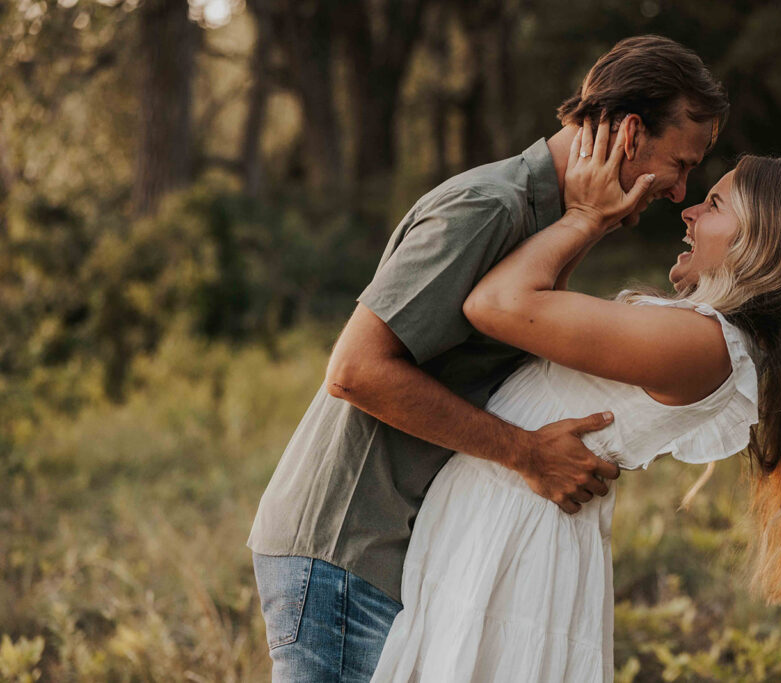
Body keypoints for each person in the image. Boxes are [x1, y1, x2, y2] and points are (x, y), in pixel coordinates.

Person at [247, 36, 730, 681]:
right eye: (681, 164)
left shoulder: (549, 220)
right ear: (631, 133)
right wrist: (526, 453)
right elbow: (355, 371)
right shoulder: (489, 207)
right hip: (345, 550)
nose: (679, 191)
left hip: (389, 549)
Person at [370, 120, 781, 682]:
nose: (688, 212)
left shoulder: (702, 344)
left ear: (763, 242)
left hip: (514, 541)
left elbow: (496, 304)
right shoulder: (702, 338)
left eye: (714, 204)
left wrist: (587, 217)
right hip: (502, 524)